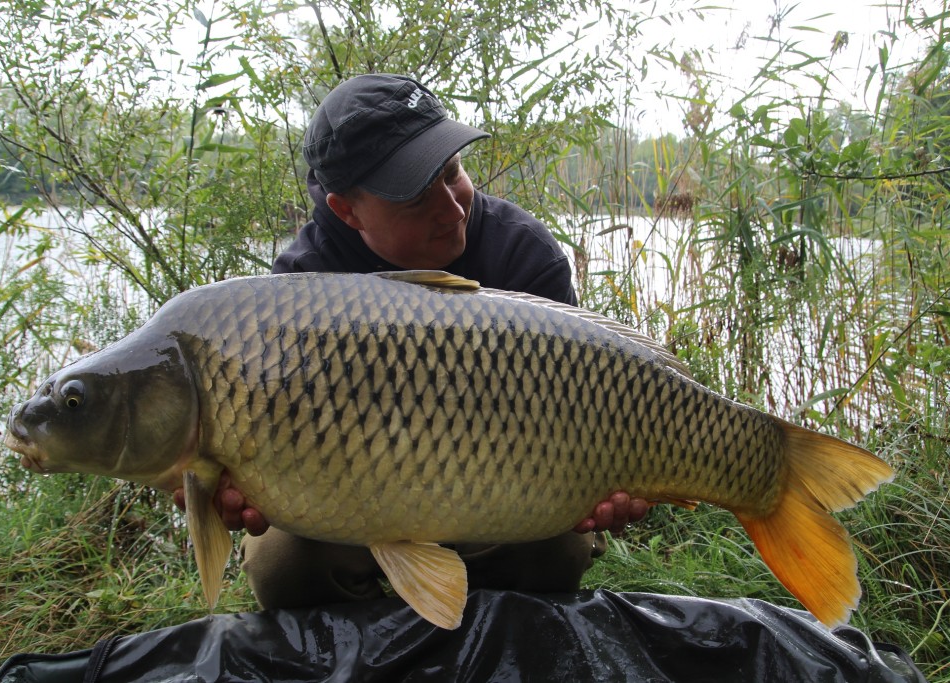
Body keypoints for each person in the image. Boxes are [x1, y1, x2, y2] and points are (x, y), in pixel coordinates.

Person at [175, 73, 649, 612]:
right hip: (352, 500)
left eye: (454, 174)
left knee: (557, 549)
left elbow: (598, 403)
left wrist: (615, 482)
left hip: (507, 488)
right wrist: (233, 485)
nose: (452, 209)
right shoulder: (302, 286)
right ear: (346, 210)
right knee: (280, 564)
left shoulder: (524, 255)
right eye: (417, 198)